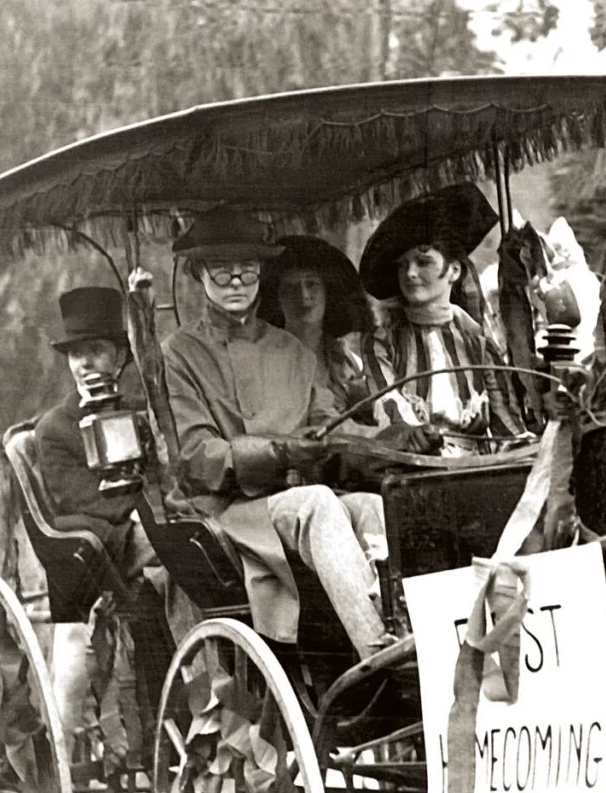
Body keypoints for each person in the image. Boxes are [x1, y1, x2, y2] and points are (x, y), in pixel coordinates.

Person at [162, 207, 437, 657]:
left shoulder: (290, 349)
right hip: (231, 510)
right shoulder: (179, 354)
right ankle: (381, 653)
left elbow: (330, 427)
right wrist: (277, 452)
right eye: (222, 269)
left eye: (247, 269)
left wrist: (390, 440)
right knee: (318, 502)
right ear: (198, 273)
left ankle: (417, 631)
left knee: (373, 506)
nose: (236, 281)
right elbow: (196, 455)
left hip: (293, 500)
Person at [34, 286, 178, 749]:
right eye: (76, 354)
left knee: (182, 559)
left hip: (144, 535)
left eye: (95, 350)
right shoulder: (55, 427)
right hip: (88, 546)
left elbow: (163, 473)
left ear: (118, 358)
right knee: (74, 647)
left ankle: (172, 706)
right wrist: (139, 517)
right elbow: (73, 496)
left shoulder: (142, 412)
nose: (84, 363)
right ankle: (61, 746)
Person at [355, 183, 527, 453]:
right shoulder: (381, 343)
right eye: (403, 265)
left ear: (454, 271)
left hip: (477, 469)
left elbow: (509, 431)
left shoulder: (479, 346)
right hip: (414, 469)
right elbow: (391, 412)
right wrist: (415, 436)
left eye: (423, 262)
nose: (410, 273)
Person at [263, 235, 374, 409]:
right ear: (277, 299)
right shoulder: (263, 361)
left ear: (328, 292)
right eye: (291, 288)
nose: (303, 297)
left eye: (312, 284)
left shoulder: (348, 362)